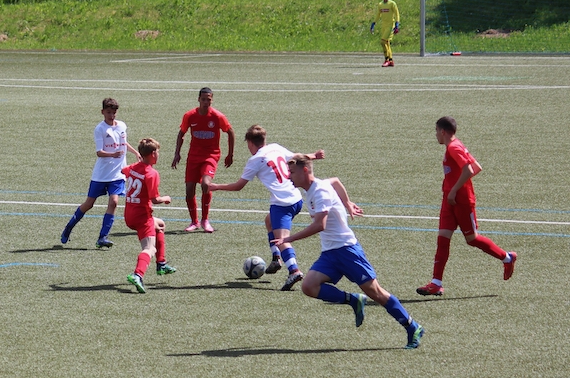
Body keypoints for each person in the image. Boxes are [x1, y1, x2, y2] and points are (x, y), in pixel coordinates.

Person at [272, 155, 424, 349]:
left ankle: (413, 327)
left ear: (305, 171)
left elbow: (320, 225)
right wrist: (347, 202)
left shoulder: (319, 192)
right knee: (308, 286)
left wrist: (289, 238)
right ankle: (354, 300)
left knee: (376, 292)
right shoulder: (315, 186)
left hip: (347, 250)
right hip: (330, 253)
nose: (288, 176)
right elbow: (335, 180)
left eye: (292, 173)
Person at [209, 125, 324, 291]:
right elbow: (297, 158)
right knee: (269, 221)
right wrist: (314, 156)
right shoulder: (275, 148)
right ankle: (276, 258)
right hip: (296, 199)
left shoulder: (255, 160)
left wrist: (216, 186)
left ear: (250, 143)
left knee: (282, 239)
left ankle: (294, 270)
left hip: (282, 204)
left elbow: (238, 186)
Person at [416, 116, 517, 296]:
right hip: (449, 200)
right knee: (443, 239)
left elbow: (470, 170)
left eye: (436, 131)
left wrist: (455, 190)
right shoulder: (455, 146)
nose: (436, 135)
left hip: (461, 201)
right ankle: (436, 283)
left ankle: (507, 258)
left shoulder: (454, 147)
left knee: (472, 239)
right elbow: (477, 167)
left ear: (443, 131)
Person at [61, 97, 140, 248]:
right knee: (89, 204)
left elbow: (123, 142)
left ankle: (102, 237)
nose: (111, 115)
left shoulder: (122, 126)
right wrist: (112, 154)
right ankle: (69, 227)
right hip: (102, 174)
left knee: (114, 202)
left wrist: (135, 152)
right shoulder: (100, 129)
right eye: (108, 112)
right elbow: (99, 152)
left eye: (114, 113)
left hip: (118, 174)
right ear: (102, 112)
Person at [172, 87, 235, 233]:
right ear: (199, 99)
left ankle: (205, 219)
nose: (206, 102)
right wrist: (177, 153)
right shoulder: (190, 115)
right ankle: (194, 222)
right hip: (193, 156)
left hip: (210, 156)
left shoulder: (217, 117)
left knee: (206, 184)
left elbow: (230, 132)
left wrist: (230, 154)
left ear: (212, 100)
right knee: (189, 190)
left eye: (209, 99)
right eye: (204, 99)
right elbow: (181, 133)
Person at [123, 138, 177, 293]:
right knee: (149, 248)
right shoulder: (152, 173)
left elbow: (123, 172)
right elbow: (155, 199)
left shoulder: (133, 167)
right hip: (142, 216)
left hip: (129, 214)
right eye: (157, 152)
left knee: (160, 225)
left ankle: (161, 264)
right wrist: (166, 198)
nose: (158, 155)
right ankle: (137, 274)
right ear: (153, 154)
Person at [372, 0, 400, 67]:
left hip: (390, 25)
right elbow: (378, 14)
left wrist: (397, 24)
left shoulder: (392, 4)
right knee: (386, 43)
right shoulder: (380, 4)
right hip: (384, 26)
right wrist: (374, 23)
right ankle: (391, 60)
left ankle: (386, 59)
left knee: (383, 41)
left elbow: (397, 14)